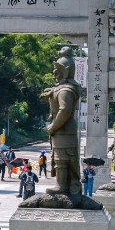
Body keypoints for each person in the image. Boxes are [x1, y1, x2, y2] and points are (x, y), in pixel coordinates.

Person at [42, 46, 82, 195]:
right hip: (63, 129)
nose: (54, 72)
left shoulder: (66, 90)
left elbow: (64, 111)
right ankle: (64, 183)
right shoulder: (62, 88)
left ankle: (62, 185)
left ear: (66, 70)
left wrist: (53, 126)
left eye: (57, 70)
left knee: (63, 158)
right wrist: (50, 93)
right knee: (59, 157)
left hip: (63, 128)